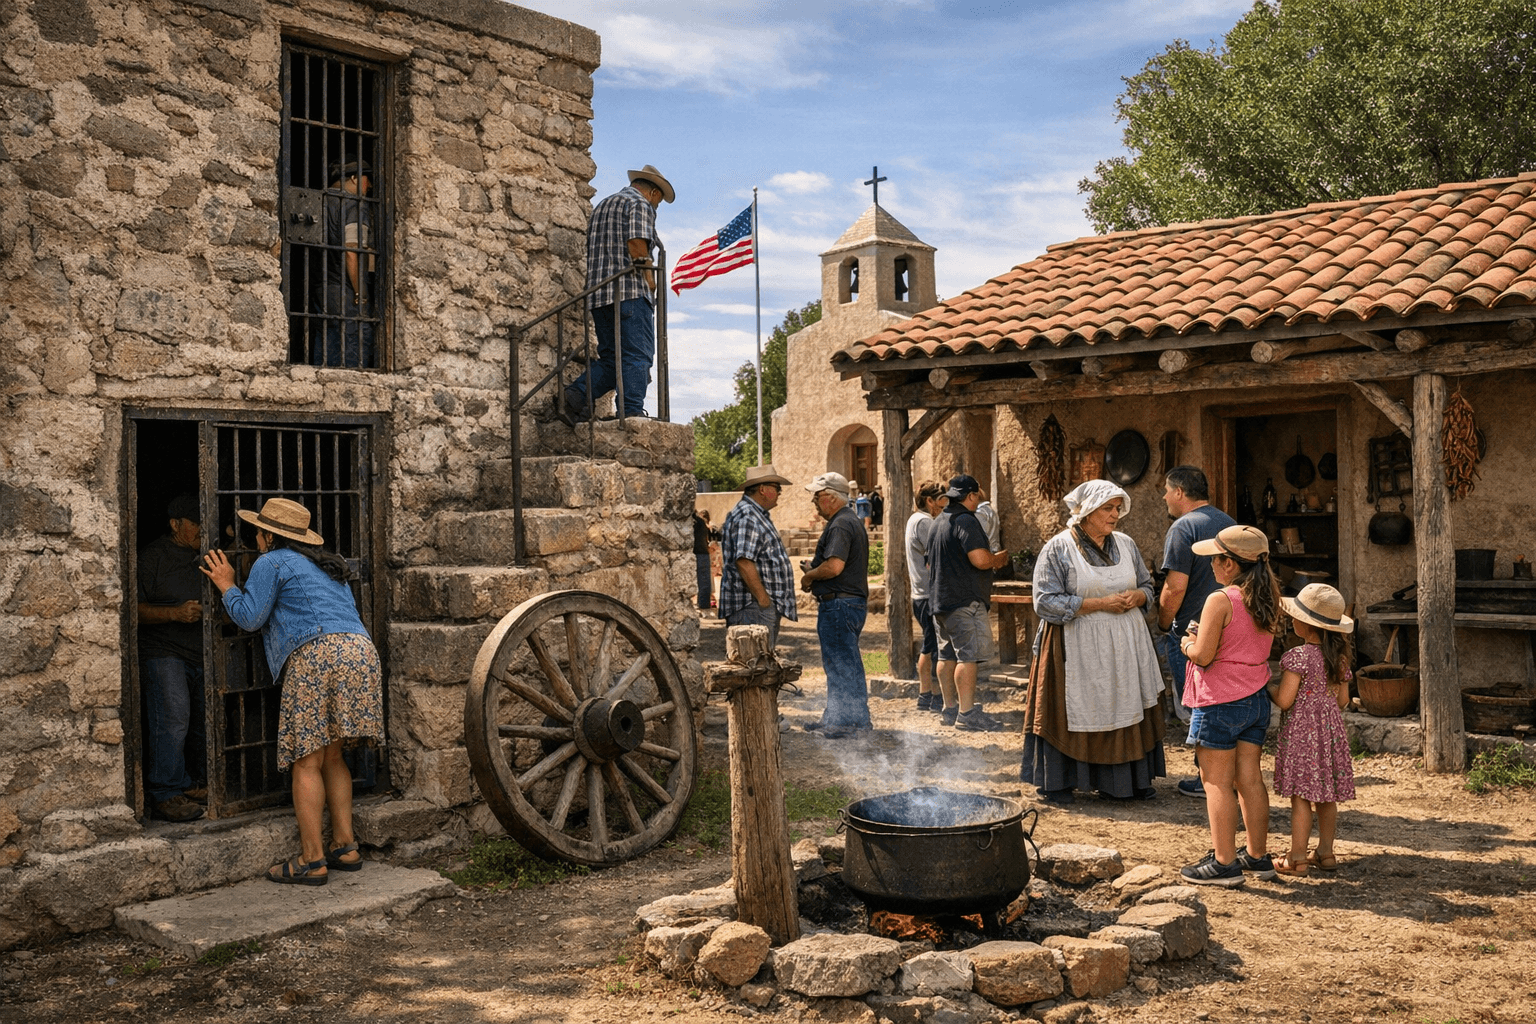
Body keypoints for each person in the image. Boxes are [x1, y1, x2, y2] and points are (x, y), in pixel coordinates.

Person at [200, 498, 384, 885]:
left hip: (317, 655)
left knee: (306, 761)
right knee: (333, 756)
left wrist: (226, 584)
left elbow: (250, 618)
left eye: (258, 531)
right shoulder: (328, 565)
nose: (255, 537)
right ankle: (345, 846)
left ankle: (312, 859)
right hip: (360, 652)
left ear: (268, 535)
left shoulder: (272, 561)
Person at [1022, 480, 1164, 801]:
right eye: (1108, 508)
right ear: (1086, 512)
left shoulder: (1126, 544)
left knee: (1123, 701)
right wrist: (1099, 604)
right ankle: (1063, 781)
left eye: (1118, 508)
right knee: (1077, 707)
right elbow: (1045, 602)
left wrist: (1139, 596)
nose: (1115, 515)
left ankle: (1122, 784)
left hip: (1126, 644)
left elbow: (1148, 585)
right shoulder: (1058, 548)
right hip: (1075, 645)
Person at [1178, 525, 1282, 886]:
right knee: (1249, 779)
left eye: (1214, 558)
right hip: (1255, 699)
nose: (1210, 564)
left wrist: (1186, 644)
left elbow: (1204, 655)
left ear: (1229, 564)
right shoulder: (1268, 599)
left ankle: (1223, 863)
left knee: (1217, 782)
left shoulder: (1220, 601)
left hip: (1220, 702)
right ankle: (1256, 856)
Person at [558, 164, 675, 422]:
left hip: (600, 295)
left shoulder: (603, 205)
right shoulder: (640, 204)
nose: (657, 207)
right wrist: (650, 279)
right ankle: (631, 413)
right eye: (659, 201)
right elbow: (636, 242)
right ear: (653, 192)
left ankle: (574, 397)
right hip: (630, 292)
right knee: (638, 355)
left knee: (612, 360)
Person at [1155, 466, 1236, 798]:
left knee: (1196, 705)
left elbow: (1174, 589)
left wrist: (1163, 624)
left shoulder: (1182, 528)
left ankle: (1209, 778)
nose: (1163, 497)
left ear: (1179, 493)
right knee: (1221, 700)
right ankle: (1221, 772)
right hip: (1228, 625)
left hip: (1192, 631)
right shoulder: (1228, 523)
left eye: (1165, 490)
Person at [1271, 583, 1357, 876]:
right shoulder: (1340, 659)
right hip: (1330, 734)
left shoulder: (1298, 657)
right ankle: (1326, 852)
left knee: (1301, 797)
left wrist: (1266, 689)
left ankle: (1297, 857)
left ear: (1305, 624)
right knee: (1327, 795)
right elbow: (1343, 700)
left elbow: (1285, 700)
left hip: (1302, 735)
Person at [137, 494, 209, 822]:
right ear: (175, 524)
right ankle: (164, 792)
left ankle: (190, 783)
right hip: (164, 651)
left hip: (201, 652)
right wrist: (175, 614)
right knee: (173, 719)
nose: (201, 530)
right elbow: (133, 611)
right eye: (195, 523)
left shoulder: (208, 558)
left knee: (198, 724)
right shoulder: (152, 558)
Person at [928, 474, 1009, 732]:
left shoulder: (938, 521)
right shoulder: (966, 520)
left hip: (940, 600)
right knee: (968, 657)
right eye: (976, 496)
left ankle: (950, 708)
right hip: (964, 600)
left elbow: (930, 562)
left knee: (946, 655)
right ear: (971, 496)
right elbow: (980, 560)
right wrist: (998, 559)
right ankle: (967, 714)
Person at [799, 472, 871, 738]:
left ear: (830, 497)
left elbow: (834, 567)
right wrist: (816, 568)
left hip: (840, 605)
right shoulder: (847, 520)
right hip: (845, 604)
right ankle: (837, 718)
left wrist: (809, 575)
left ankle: (848, 723)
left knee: (842, 664)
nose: (815, 504)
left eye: (817, 498)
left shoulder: (841, 524)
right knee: (840, 663)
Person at [719, 465, 797, 650]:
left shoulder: (755, 514)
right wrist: (763, 599)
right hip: (752, 607)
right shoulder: (748, 516)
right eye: (777, 488)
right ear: (763, 489)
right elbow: (744, 561)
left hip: (755, 606)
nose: (779, 493)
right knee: (753, 665)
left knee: (759, 666)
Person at [311, 159, 377, 368]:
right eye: (368, 179)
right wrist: (360, 292)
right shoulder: (354, 205)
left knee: (326, 347)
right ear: (355, 178)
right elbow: (351, 251)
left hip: (321, 289)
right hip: (345, 290)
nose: (370, 186)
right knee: (354, 347)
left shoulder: (318, 201)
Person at [905, 481, 946, 713]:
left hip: (921, 593)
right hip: (927, 594)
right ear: (929, 501)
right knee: (932, 647)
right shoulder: (924, 522)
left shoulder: (915, 520)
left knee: (931, 644)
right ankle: (929, 694)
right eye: (940, 501)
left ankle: (928, 695)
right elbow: (935, 555)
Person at [692, 509, 714, 611]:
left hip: (698, 553)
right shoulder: (700, 522)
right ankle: (704, 604)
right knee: (704, 581)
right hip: (703, 552)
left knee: (702, 581)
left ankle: (703, 605)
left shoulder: (694, 522)